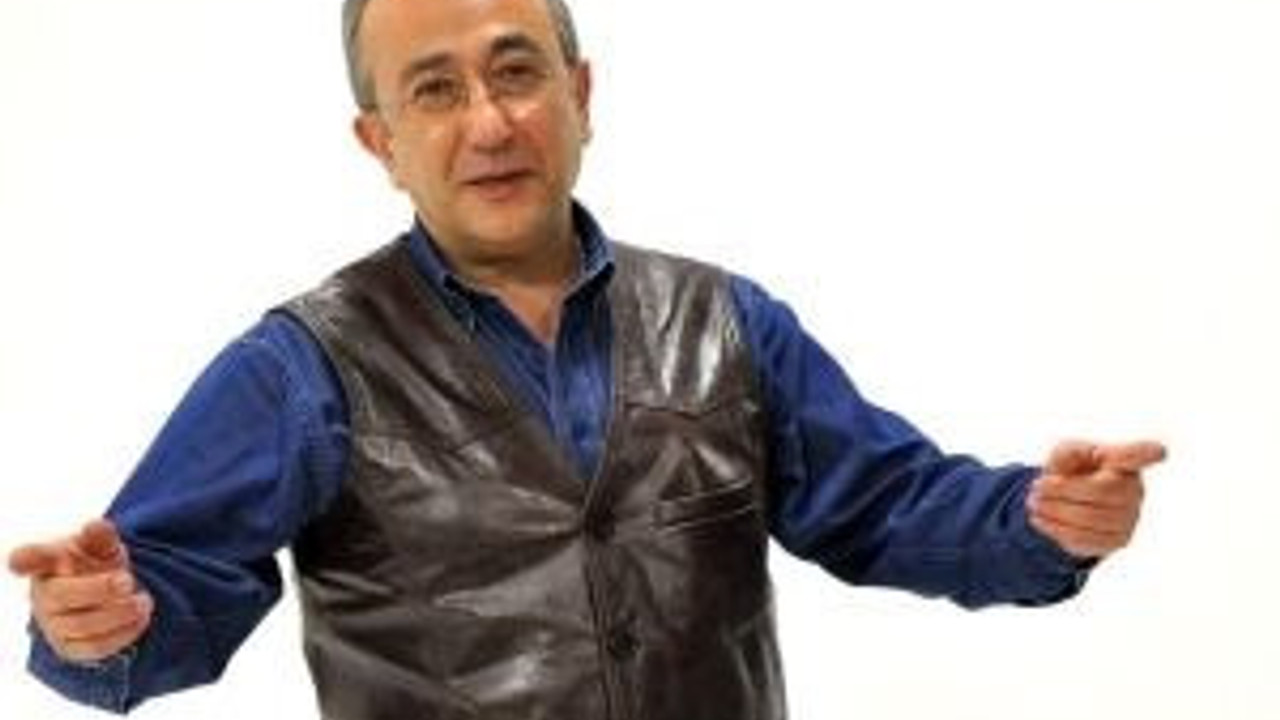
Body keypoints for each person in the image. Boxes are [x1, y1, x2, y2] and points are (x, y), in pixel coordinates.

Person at [8, 0, 1166, 718]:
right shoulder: (304, 367)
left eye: (515, 72)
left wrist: (1039, 517)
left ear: (579, 93)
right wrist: (98, 621)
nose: (488, 122)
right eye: (434, 90)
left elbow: (886, 504)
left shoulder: (726, 323)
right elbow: (160, 585)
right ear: (383, 143)